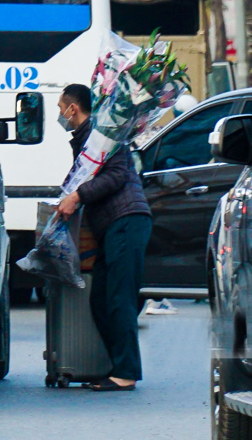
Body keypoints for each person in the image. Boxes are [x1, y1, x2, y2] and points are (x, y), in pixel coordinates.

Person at [55, 83, 152, 392]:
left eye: (61, 109)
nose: (60, 115)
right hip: (111, 226)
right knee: (101, 299)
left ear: (73, 108)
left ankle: (126, 372)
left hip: (126, 221)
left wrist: (77, 196)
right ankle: (117, 366)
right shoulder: (85, 139)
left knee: (119, 297)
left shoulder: (104, 135)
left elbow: (117, 175)